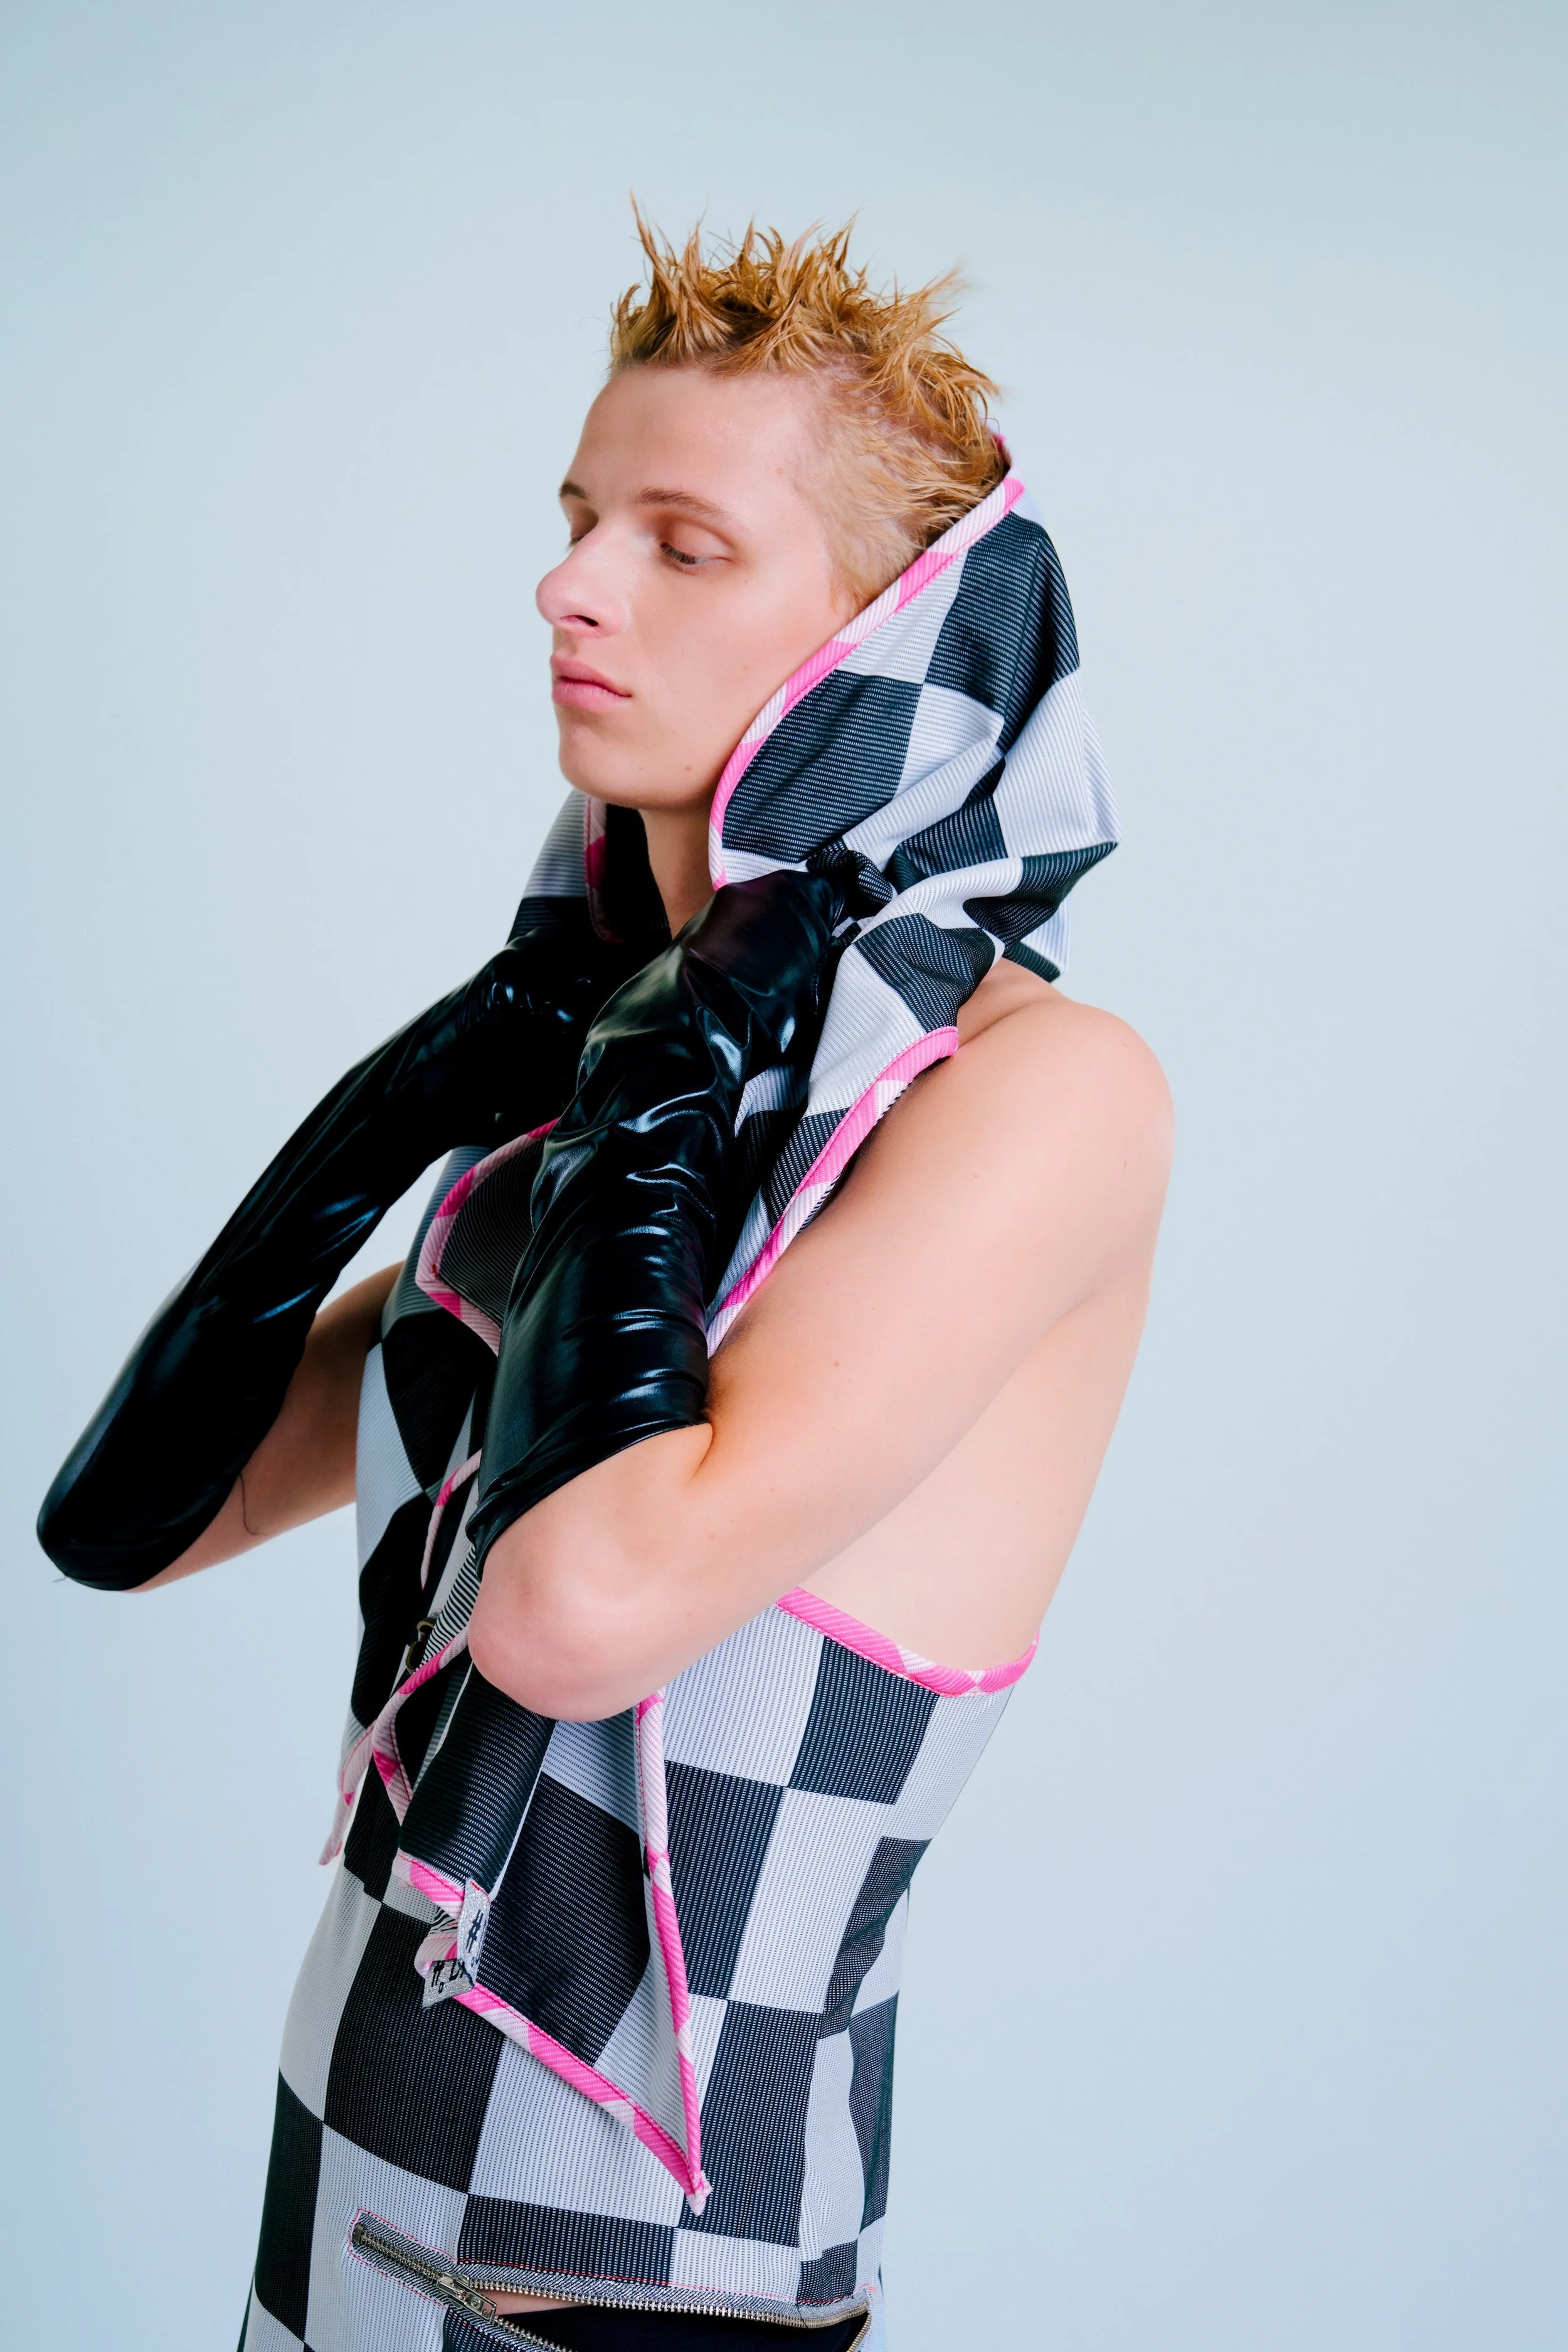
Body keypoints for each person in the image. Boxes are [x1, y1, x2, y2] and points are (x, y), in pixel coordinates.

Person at [38, 220, 1172, 2351]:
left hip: (636, 2276)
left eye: (683, 544)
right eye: (578, 520)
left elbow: (576, 1609)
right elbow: (129, 1521)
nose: (570, 586)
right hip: (346, 2197)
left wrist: (655, 1067)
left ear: (888, 642)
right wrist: (409, 1096)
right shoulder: (598, 1109)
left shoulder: (1032, 1094)